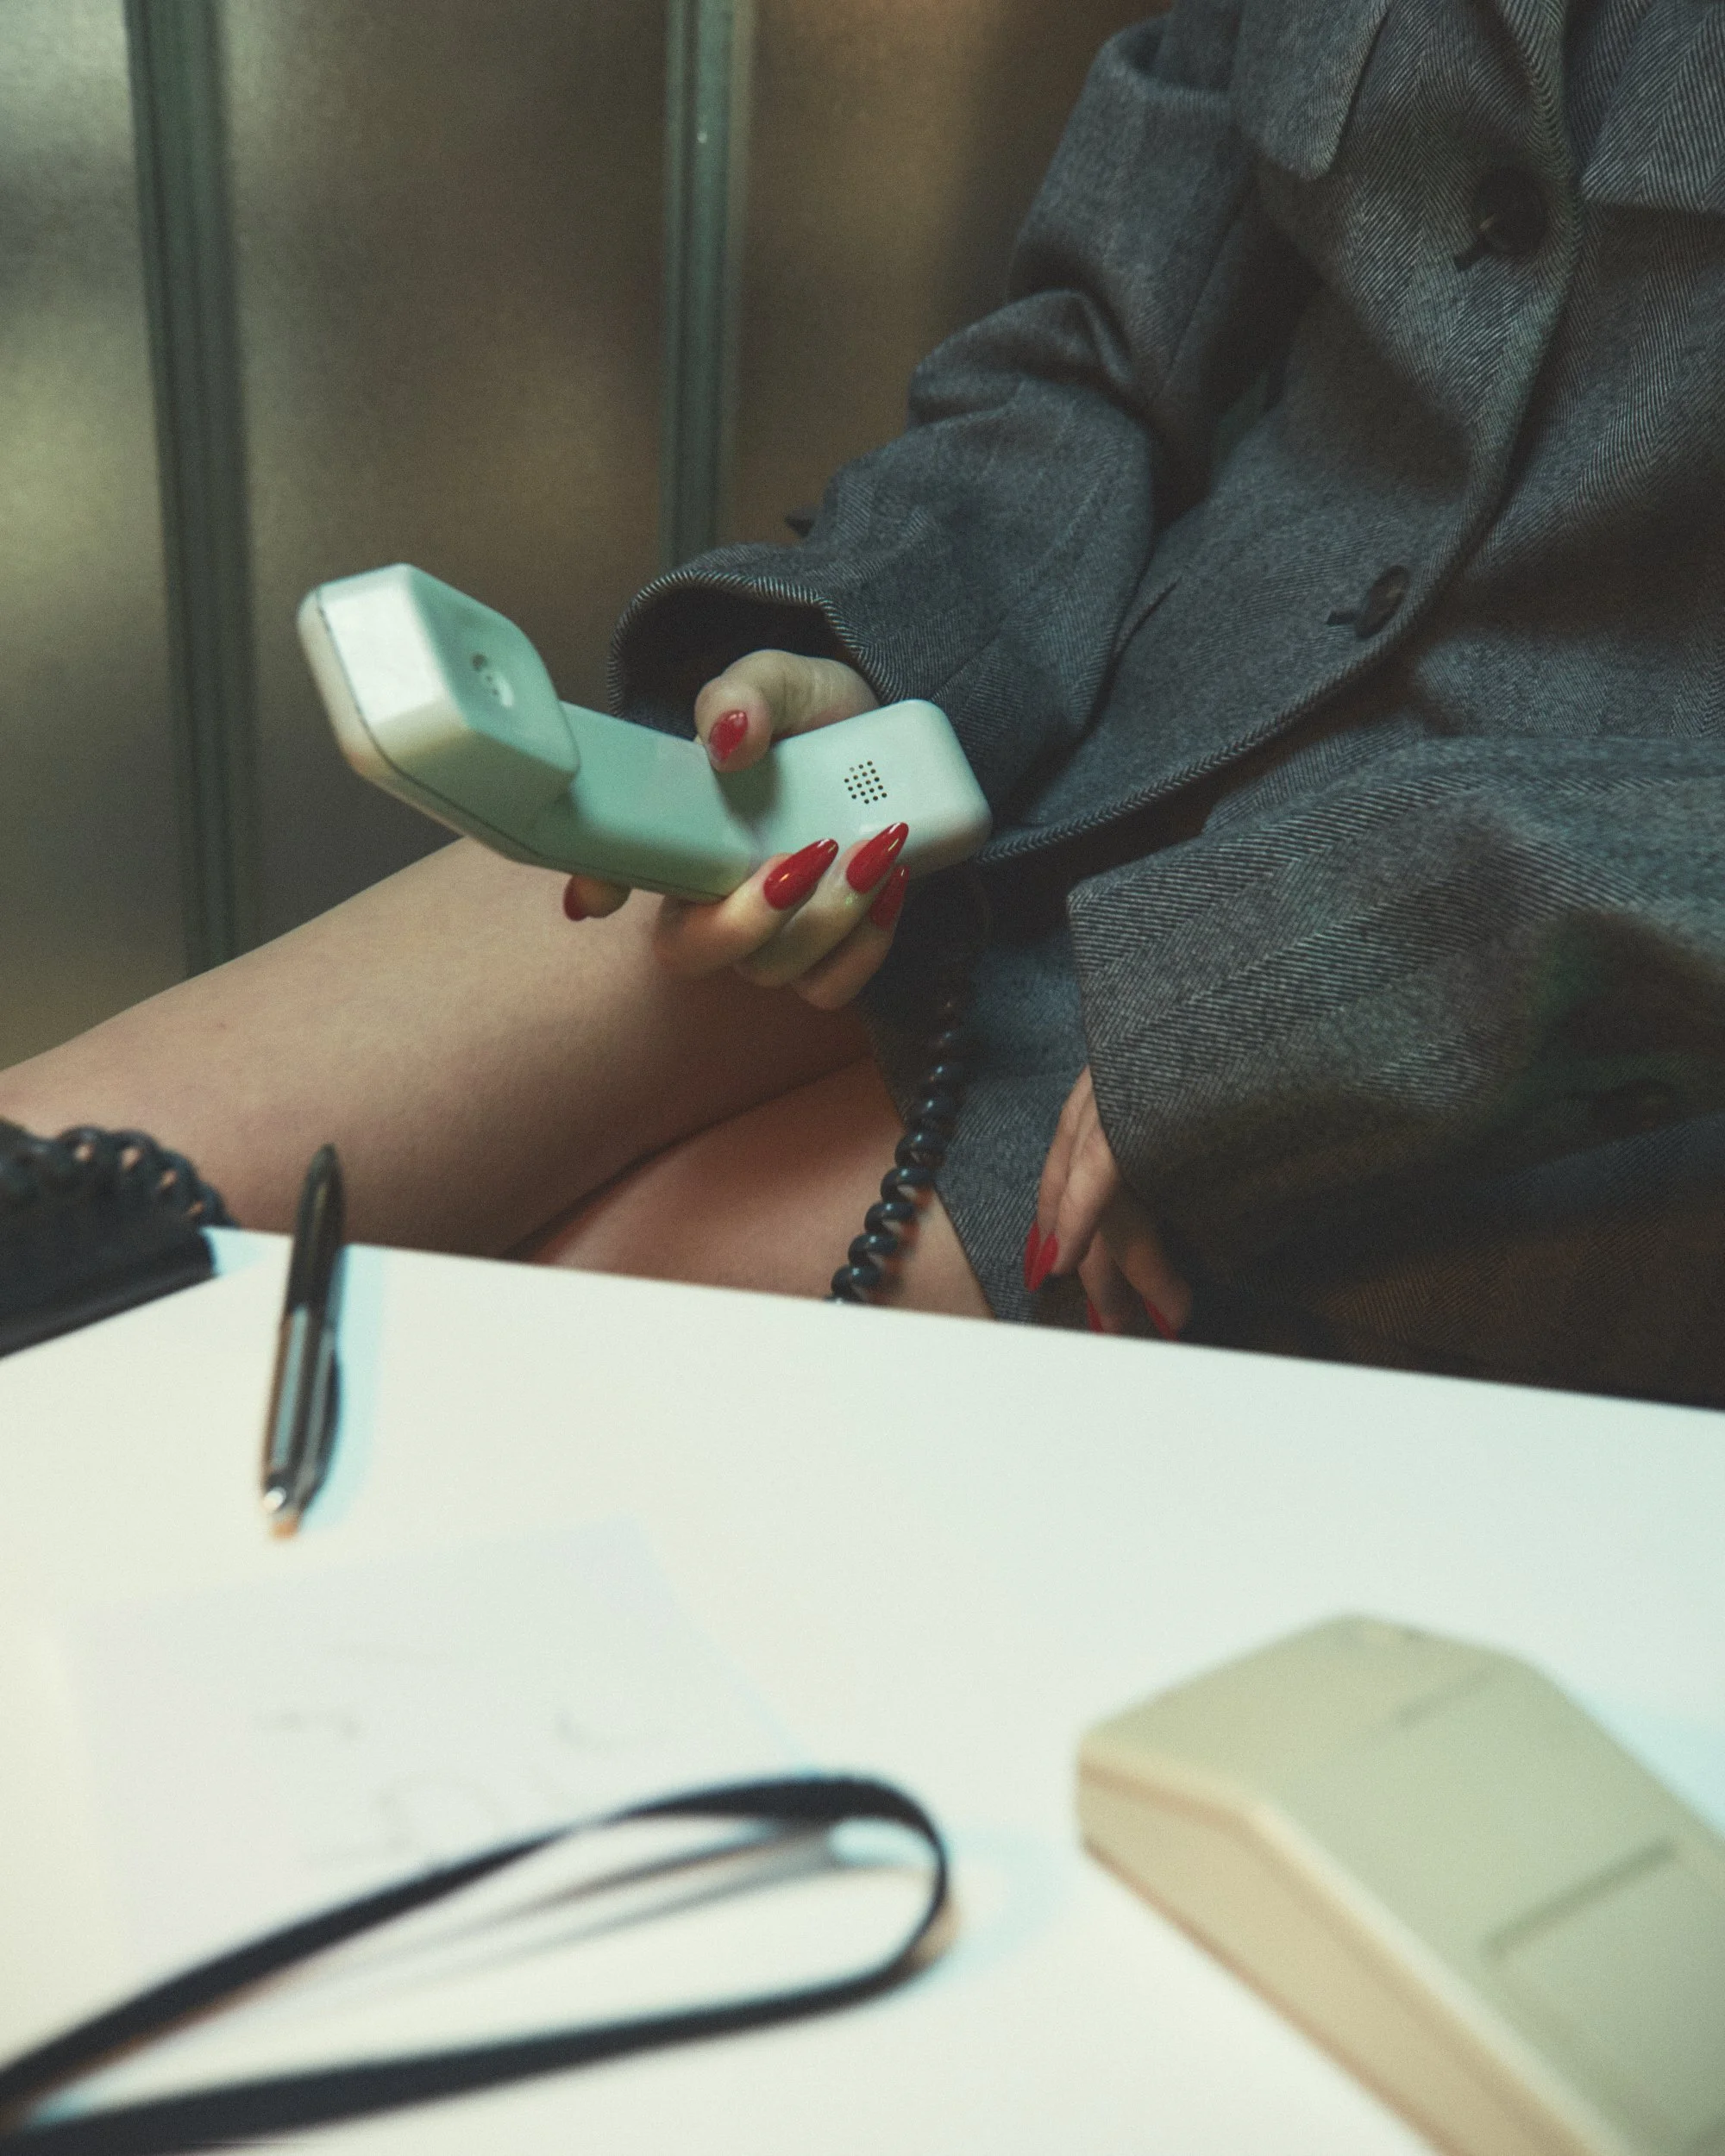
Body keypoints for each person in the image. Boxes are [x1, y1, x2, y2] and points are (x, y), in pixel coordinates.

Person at [6, 0, 1725, 1402]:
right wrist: (879, 653)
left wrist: (1381, 962)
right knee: (57, 1216)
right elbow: (1102, 356)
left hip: (1559, 1024)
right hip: (1050, 758)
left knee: (480, 1400)